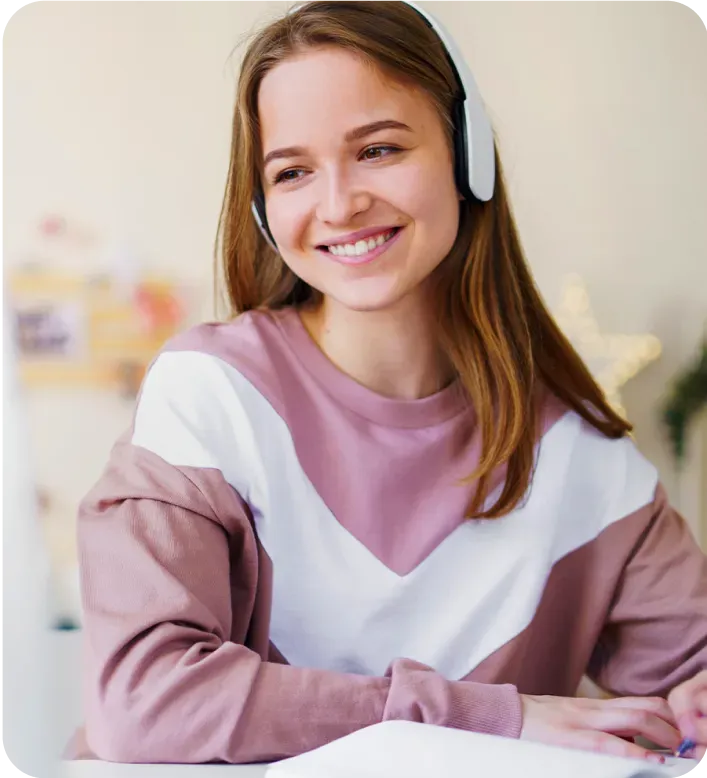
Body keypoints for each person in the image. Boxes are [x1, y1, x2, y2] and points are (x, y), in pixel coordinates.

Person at [69, 0, 707, 766]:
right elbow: (142, 704)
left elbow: (688, 677)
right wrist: (476, 716)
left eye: (377, 150)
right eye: (293, 171)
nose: (338, 204)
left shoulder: (582, 459)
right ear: (264, 210)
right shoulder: (207, 399)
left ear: (466, 154)